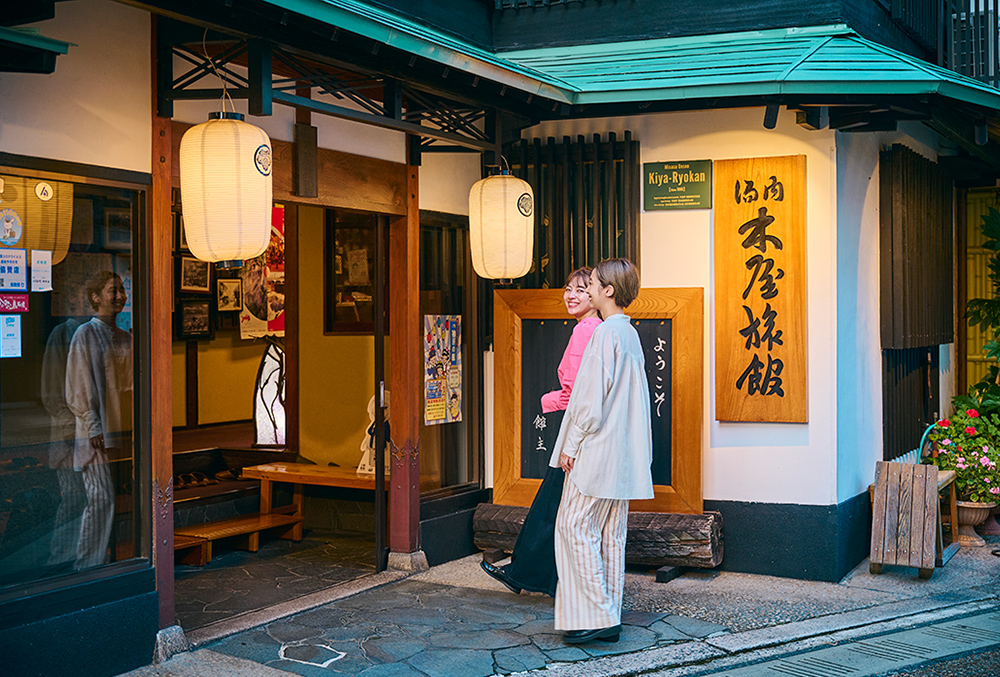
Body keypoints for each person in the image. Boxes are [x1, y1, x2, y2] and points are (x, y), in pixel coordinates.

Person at [481, 267, 601, 596]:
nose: (572, 296)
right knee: (560, 509)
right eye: (568, 289)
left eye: (581, 290)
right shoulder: (600, 328)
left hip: (577, 431)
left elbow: (575, 390)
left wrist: (547, 400)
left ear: (597, 295)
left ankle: (524, 575)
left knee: (551, 508)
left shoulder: (584, 330)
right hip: (591, 435)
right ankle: (544, 578)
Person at [551, 258, 653, 644]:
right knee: (610, 535)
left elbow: (587, 401)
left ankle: (597, 614)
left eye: (592, 283)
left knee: (574, 527)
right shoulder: (628, 335)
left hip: (596, 451)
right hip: (624, 456)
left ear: (608, 290)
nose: (587, 289)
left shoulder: (602, 336)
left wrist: (570, 446)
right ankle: (608, 610)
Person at [65, 271, 133, 569]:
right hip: (96, 434)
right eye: (111, 290)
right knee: (101, 499)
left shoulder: (127, 338)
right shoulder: (85, 334)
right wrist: (93, 426)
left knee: (116, 500)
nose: (119, 296)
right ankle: (86, 566)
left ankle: (112, 559)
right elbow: (79, 387)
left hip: (123, 432)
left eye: (121, 290)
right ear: (95, 297)